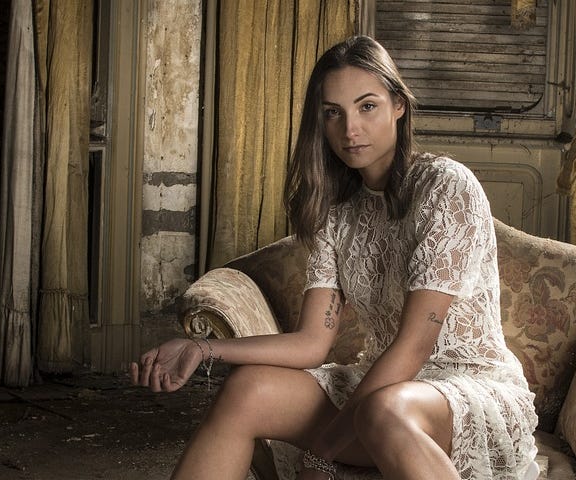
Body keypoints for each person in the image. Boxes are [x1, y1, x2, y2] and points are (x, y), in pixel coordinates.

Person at [132, 35, 539, 480]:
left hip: (466, 392)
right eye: (333, 113)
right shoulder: (339, 214)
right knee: (247, 390)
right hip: (380, 388)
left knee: (384, 410)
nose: (350, 129)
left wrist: (320, 455)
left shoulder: (446, 186)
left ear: (398, 105)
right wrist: (201, 348)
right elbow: (311, 342)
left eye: (367, 106)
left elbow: (414, 346)